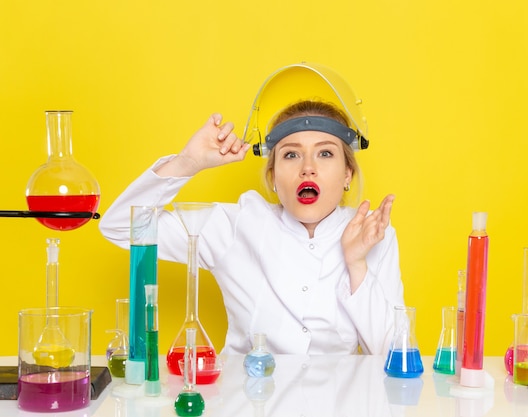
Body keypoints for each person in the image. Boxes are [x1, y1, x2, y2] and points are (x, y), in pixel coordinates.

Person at [99, 99, 404, 355]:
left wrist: (356, 263)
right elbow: (120, 227)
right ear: (273, 177)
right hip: (246, 403)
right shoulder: (237, 224)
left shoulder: (374, 234)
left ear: (348, 173)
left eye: (325, 153)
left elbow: (393, 353)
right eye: (291, 154)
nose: (307, 167)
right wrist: (188, 161)